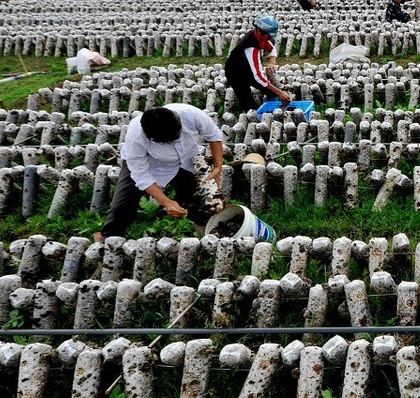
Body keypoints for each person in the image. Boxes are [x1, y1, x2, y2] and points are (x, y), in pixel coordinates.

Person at [97, 104, 224, 241]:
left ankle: (208, 237)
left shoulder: (191, 114)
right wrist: (166, 201)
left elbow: (214, 135)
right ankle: (107, 239)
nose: (174, 141)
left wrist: (218, 166)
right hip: (151, 162)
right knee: (122, 206)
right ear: (151, 138)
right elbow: (141, 175)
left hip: (186, 158)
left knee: (202, 200)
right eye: (167, 142)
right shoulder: (136, 137)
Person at [225, 13, 292, 114]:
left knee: (271, 92)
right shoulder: (251, 48)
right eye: (269, 36)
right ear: (260, 31)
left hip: (248, 69)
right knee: (249, 106)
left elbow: (272, 48)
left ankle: (272, 109)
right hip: (235, 73)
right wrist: (279, 92)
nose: (270, 39)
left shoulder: (260, 37)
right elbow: (258, 77)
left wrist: (272, 62)